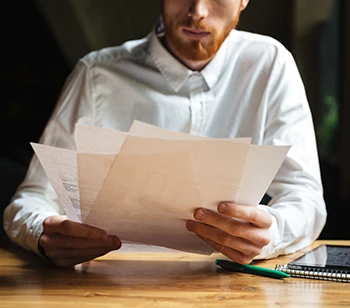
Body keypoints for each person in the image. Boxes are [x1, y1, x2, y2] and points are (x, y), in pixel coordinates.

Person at [3, 0, 327, 267]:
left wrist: (272, 234)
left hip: (229, 287)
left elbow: (306, 197)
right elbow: (31, 199)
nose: (198, 11)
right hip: (108, 289)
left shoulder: (270, 64)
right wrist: (43, 234)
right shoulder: (96, 75)